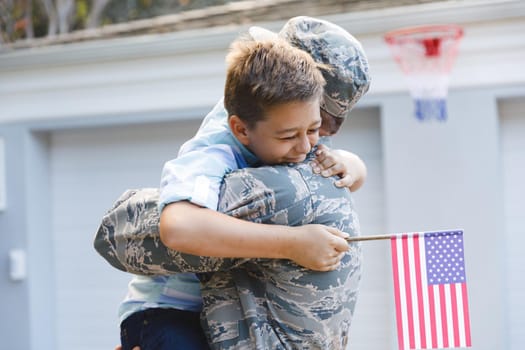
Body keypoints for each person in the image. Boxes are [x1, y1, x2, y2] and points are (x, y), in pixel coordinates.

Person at [96, 16, 370, 350]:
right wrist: (292, 243)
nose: (310, 143)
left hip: (212, 307)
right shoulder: (214, 149)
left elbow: (340, 176)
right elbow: (178, 227)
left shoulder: (280, 137)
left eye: (316, 130)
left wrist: (352, 166)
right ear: (243, 128)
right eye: (296, 132)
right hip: (168, 310)